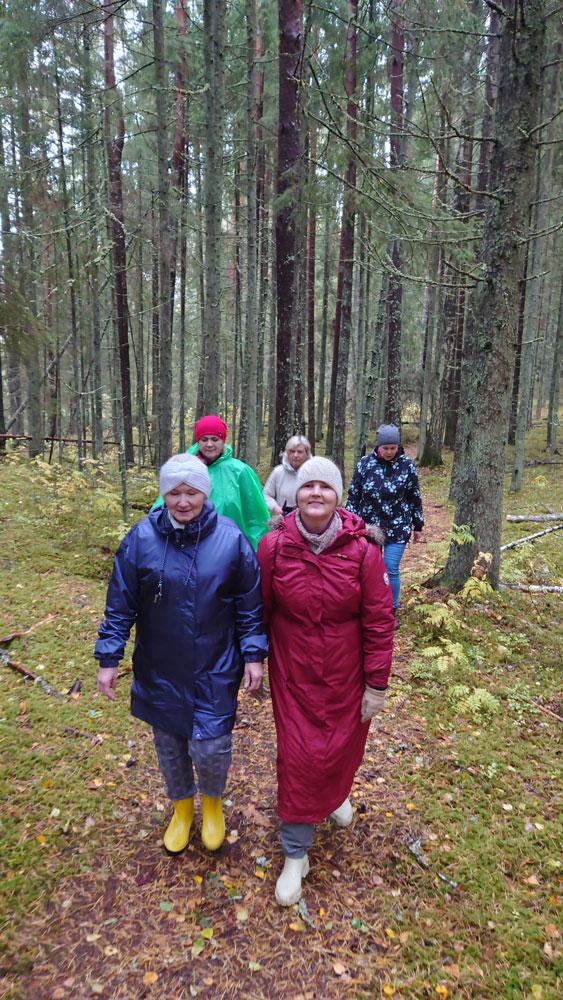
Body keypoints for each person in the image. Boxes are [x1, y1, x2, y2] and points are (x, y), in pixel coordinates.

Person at [95, 453, 267, 855]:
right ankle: (182, 809)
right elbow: (120, 604)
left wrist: (253, 654)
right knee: (169, 744)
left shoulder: (231, 540)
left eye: (192, 492)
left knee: (211, 746)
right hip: (160, 664)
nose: (183, 501)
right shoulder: (141, 539)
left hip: (215, 664)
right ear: (164, 495)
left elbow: (249, 605)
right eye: (175, 493)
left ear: (205, 493)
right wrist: (108, 658)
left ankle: (212, 805)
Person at [257, 457, 394, 906]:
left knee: (339, 746)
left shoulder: (363, 552)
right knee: (298, 756)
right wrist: (253, 659)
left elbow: (379, 620)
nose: (315, 493)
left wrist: (376, 683)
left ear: (338, 497)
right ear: (295, 495)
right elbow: (258, 610)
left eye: (325, 487)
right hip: (293, 672)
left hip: (345, 672)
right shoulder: (273, 547)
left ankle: (334, 795)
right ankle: (295, 853)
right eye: (307, 486)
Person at [152, 415, 270, 551]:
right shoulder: (181, 468)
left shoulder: (240, 472)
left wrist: (256, 552)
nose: (209, 444)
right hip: (185, 548)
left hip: (228, 549)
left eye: (215, 439)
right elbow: (160, 508)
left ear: (223, 441)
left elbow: (256, 518)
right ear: (198, 441)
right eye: (204, 439)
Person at [346, 424, 424, 611]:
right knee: (369, 569)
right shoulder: (365, 464)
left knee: (390, 567)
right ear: (378, 446)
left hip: (398, 526)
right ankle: (368, 606)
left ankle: (391, 609)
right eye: (385, 448)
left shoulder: (407, 465)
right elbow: (354, 495)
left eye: (393, 448)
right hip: (369, 527)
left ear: (398, 446)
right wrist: (349, 522)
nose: (389, 452)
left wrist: (418, 525)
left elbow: (414, 496)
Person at [263, 434, 312, 516]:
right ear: (287, 453)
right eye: (292, 451)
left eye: (299, 452)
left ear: (307, 454)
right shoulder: (278, 472)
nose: (295, 455)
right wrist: (275, 507)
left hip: (309, 518)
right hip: (283, 517)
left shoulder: (314, 473)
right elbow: (266, 495)